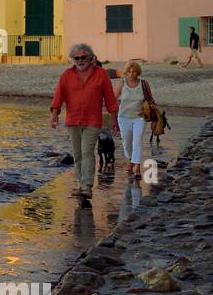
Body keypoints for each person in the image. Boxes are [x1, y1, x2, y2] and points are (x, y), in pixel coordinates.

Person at [50, 43, 119, 199]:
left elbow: (110, 98)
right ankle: (80, 184)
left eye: (83, 57)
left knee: (87, 151)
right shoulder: (66, 75)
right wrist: (54, 116)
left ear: (91, 58)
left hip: (93, 120)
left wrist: (114, 119)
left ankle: (87, 186)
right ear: (73, 59)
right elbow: (58, 96)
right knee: (77, 153)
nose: (80, 60)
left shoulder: (101, 74)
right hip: (73, 120)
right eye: (77, 58)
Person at [115, 61, 155, 177]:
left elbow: (150, 99)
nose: (132, 74)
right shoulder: (122, 83)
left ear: (138, 72)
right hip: (123, 117)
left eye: (134, 72)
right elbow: (113, 98)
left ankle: (137, 165)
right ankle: (130, 159)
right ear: (126, 73)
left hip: (139, 117)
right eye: (129, 72)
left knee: (137, 141)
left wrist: (152, 107)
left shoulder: (143, 84)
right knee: (127, 142)